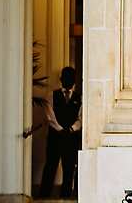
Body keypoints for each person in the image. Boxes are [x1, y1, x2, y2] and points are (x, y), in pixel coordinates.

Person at [39, 66, 81, 198]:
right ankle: (44, 196)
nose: (68, 80)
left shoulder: (80, 98)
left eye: (71, 78)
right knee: (51, 166)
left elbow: (81, 117)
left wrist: (72, 128)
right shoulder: (51, 95)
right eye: (66, 77)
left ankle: (66, 197)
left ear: (74, 81)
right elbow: (50, 116)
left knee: (69, 168)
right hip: (55, 138)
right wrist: (60, 129)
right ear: (61, 79)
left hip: (72, 138)